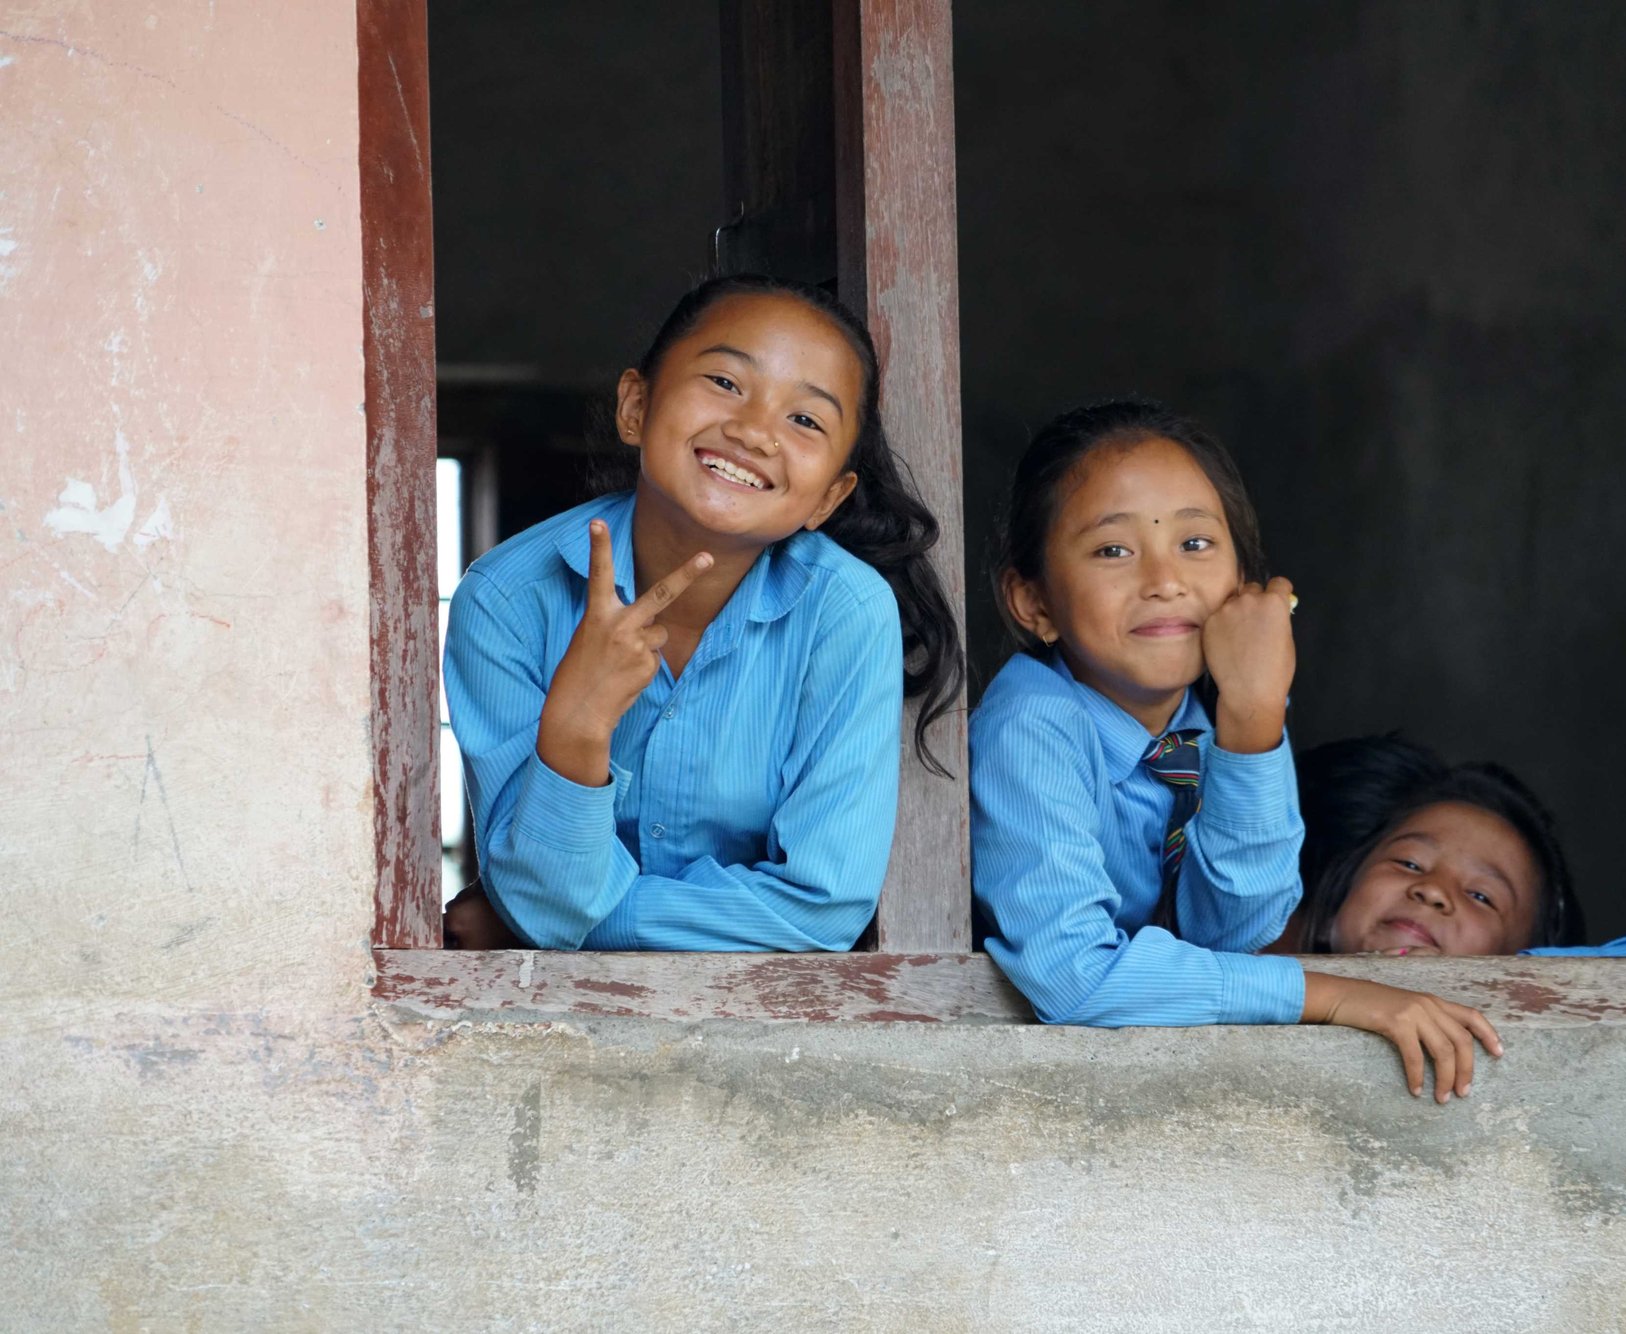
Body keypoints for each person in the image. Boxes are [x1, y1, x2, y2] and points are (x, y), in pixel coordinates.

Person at [972, 399, 1501, 1103]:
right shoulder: (1031, 725)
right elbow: (1078, 979)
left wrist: (1251, 717)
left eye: (1195, 545)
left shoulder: (1202, 726)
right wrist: (1336, 995)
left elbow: (1234, 932)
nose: (1165, 580)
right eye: (1112, 550)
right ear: (1031, 601)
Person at [441, 274, 961, 952]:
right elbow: (538, 900)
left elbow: (821, 907)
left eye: (805, 419)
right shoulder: (507, 599)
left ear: (827, 499)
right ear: (636, 405)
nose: (754, 431)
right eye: (724, 382)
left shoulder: (846, 613)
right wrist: (579, 729)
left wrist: (556, 918)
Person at [1276, 735, 1626, 958]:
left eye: (1481, 896)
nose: (1433, 891)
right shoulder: (1273, 991)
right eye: (1408, 862)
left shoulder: (1521, 979)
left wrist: (1498, 980)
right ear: (1333, 903)